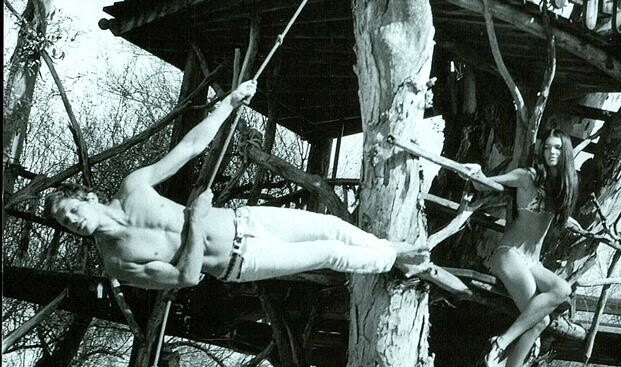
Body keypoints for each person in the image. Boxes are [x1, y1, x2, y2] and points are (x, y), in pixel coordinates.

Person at [45, 80, 396, 288]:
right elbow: (186, 278)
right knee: (329, 252)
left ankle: (398, 255)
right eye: (64, 221)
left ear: (88, 197)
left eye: (71, 210)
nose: (72, 221)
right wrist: (196, 222)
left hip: (246, 219)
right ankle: (399, 257)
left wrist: (229, 102)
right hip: (242, 261)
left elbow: (190, 147)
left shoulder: (134, 187)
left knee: (333, 227)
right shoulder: (117, 262)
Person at [464, 129, 579, 367]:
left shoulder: (560, 188)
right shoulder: (527, 177)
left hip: (532, 261)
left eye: (558, 147)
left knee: (562, 289)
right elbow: (486, 182)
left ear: (565, 152)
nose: (551, 152)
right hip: (509, 254)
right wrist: (477, 173)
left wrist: (571, 221)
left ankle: (502, 360)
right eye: (547, 147)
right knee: (540, 321)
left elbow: (549, 218)